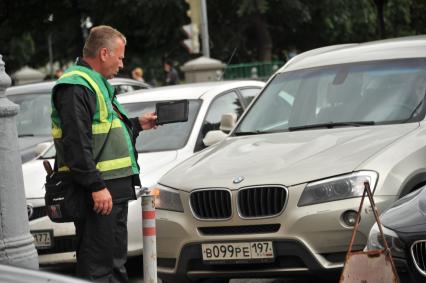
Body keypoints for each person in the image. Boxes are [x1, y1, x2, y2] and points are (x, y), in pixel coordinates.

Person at [50, 25, 157, 282]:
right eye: (120, 57)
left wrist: (137, 125)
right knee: (98, 267)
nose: (122, 64)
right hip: (99, 193)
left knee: (114, 264)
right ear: (104, 53)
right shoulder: (76, 85)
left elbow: (103, 130)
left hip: (111, 191)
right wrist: (95, 186)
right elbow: (77, 144)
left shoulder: (95, 84)